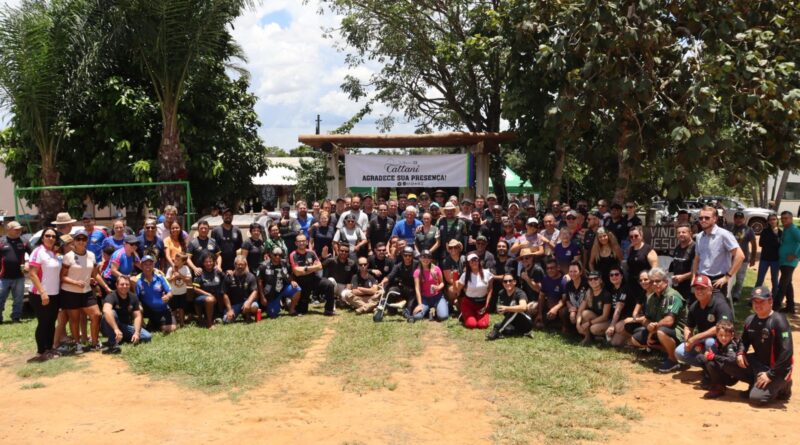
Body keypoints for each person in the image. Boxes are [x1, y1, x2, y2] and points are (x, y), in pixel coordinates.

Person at [721, 287, 793, 405]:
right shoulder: (750, 320)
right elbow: (743, 342)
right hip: (758, 363)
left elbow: (787, 351)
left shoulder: (779, 320)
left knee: (756, 398)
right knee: (728, 362)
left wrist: (771, 374)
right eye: (755, 301)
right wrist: (740, 353)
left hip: (777, 368)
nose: (757, 304)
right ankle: (755, 383)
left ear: (770, 301)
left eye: (761, 301)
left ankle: (784, 386)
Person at [629, 268, 687, 373]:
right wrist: (649, 326)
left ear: (666, 281)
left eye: (658, 281)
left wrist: (653, 330)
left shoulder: (672, 296)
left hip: (678, 332)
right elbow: (646, 319)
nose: (655, 284)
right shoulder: (652, 297)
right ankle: (664, 351)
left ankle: (673, 360)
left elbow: (669, 321)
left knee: (661, 331)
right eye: (652, 281)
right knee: (635, 338)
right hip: (659, 329)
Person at [674, 275, 734, 372]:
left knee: (709, 341)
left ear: (710, 289)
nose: (699, 291)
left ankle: (717, 369)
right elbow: (688, 327)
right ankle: (706, 367)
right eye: (696, 288)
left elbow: (721, 327)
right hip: (702, 341)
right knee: (679, 352)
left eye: (702, 288)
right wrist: (688, 341)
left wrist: (696, 338)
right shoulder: (694, 306)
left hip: (722, 342)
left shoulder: (720, 305)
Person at [692, 205, 744, 313]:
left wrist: (727, 277)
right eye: (701, 218)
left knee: (719, 312)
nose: (703, 220)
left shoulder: (724, 235)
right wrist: (693, 277)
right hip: (702, 279)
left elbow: (740, 256)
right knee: (703, 311)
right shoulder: (699, 236)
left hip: (718, 281)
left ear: (715, 219)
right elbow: (697, 259)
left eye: (707, 218)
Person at [59, 230, 101, 351]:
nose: (81, 241)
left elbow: (94, 273)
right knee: (75, 319)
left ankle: (94, 343)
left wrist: (97, 283)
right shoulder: (68, 256)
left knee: (96, 315)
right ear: (74, 241)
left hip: (87, 291)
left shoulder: (91, 255)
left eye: (84, 239)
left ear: (87, 241)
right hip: (70, 292)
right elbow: (62, 277)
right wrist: (75, 282)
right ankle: (78, 344)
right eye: (78, 239)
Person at [26, 228, 62, 362]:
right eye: (48, 235)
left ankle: (49, 348)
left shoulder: (53, 253)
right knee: (43, 322)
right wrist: (42, 292)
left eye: (53, 236)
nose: (51, 238)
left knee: (51, 322)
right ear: (42, 238)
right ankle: (41, 351)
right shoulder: (38, 252)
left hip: (54, 294)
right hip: (40, 294)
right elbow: (32, 273)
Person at [100, 275, 151, 354]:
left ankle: (121, 338)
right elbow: (106, 311)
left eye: (127, 284)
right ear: (116, 285)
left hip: (125, 326)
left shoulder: (133, 297)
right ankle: (113, 343)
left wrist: (137, 333)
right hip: (110, 326)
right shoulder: (111, 296)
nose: (124, 286)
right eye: (122, 284)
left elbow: (137, 316)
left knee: (147, 336)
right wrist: (116, 329)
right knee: (111, 313)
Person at [289, 234, 335, 315]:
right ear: (296, 243)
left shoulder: (311, 252)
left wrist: (305, 269)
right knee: (302, 310)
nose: (302, 243)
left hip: (313, 279)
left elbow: (320, 266)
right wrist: (312, 267)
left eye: (303, 241)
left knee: (329, 285)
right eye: (299, 241)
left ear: (307, 242)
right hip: (301, 282)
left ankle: (329, 310)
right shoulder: (293, 255)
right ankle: (290, 304)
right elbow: (296, 272)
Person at [698, 320, 741, 399]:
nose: (723, 338)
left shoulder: (730, 346)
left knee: (710, 363)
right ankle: (710, 380)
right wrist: (700, 344)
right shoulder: (719, 341)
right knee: (701, 358)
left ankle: (719, 387)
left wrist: (714, 356)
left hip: (732, 376)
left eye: (727, 335)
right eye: (721, 335)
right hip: (725, 371)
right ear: (717, 335)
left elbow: (731, 360)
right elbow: (705, 339)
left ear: (732, 335)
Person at [134, 255, 176, 334]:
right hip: (148, 309)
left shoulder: (160, 277)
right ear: (141, 266)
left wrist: (167, 296)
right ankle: (143, 325)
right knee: (138, 308)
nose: (148, 267)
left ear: (153, 265)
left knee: (172, 329)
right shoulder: (137, 279)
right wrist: (138, 305)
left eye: (150, 264)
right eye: (145, 264)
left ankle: (153, 324)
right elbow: (135, 297)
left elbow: (170, 291)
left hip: (163, 309)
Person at [258, 247, 302, 318]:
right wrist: (262, 297)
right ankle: (280, 305)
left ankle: (291, 309)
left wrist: (292, 281)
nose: (278, 257)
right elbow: (259, 282)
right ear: (271, 255)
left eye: (280, 255)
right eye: (275, 255)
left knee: (297, 289)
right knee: (273, 314)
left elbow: (289, 274)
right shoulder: (263, 266)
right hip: (271, 294)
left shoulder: (284, 263)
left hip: (283, 288)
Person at [486, 274, 533, 340]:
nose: (508, 283)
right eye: (505, 281)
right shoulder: (501, 293)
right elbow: (499, 307)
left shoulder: (519, 293)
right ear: (503, 283)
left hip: (526, 323)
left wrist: (507, 308)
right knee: (497, 325)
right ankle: (510, 331)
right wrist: (500, 310)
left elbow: (523, 307)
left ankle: (498, 331)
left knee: (513, 309)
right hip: (514, 324)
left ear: (514, 282)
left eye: (510, 281)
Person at [454, 252, 493, 329]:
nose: (474, 262)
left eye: (475, 260)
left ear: (479, 261)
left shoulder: (487, 273)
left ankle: (474, 315)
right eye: (471, 261)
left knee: (483, 325)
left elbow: (490, 290)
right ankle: (466, 314)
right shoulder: (465, 275)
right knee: (471, 325)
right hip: (468, 303)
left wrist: (486, 304)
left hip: (482, 304)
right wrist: (454, 279)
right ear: (468, 263)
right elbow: (457, 290)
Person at [0, 221, 28, 324]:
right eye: (16, 229)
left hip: (19, 277)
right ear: (9, 229)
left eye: (20, 229)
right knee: (0, 299)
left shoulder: (24, 241)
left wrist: (28, 265)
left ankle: (16, 317)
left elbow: (33, 253)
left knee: (18, 299)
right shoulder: (1, 242)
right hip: (3, 277)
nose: (19, 231)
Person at [575, 271, 612, 345]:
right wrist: (578, 323)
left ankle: (604, 337)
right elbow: (580, 310)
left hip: (607, 321)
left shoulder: (606, 294)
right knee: (585, 313)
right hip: (597, 318)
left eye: (595, 278)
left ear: (600, 280)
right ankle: (588, 338)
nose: (593, 281)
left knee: (594, 329)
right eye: (590, 279)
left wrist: (588, 323)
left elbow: (605, 316)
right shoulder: (589, 292)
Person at [382, 246, 418, 318]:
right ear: (402, 255)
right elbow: (391, 275)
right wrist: (383, 281)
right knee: (391, 291)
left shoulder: (417, 264)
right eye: (405, 255)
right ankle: (392, 310)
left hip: (413, 290)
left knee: (409, 311)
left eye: (410, 255)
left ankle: (407, 308)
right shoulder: (398, 265)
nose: (407, 257)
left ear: (412, 256)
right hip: (402, 287)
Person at [775, 210, 800, 313]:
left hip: (789, 263)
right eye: (782, 218)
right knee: (787, 284)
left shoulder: (793, 229)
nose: (784, 220)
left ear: (791, 218)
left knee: (782, 284)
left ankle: (775, 307)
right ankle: (790, 307)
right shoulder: (786, 229)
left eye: (786, 218)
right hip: (783, 261)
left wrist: (796, 255)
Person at [411, 249, 447, 321]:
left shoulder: (436, 269)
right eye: (423, 257)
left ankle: (438, 308)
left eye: (428, 257)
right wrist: (420, 304)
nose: (426, 259)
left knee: (443, 317)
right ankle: (429, 311)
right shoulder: (417, 272)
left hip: (437, 297)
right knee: (417, 316)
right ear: (420, 258)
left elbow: (442, 283)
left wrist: (438, 287)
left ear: (431, 259)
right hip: (425, 298)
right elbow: (417, 289)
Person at [221, 255, 259, 323]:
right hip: (234, 304)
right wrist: (229, 310)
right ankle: (240, 313)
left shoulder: (250, 276)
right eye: (238, 265)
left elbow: (255, 291)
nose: (240, 267)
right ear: (235, 265)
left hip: (246, 302)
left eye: (242, 265)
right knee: (226, 320)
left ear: (245, 265)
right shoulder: (229, 277)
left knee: (254, 306)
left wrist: (249, 302)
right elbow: (225, 294)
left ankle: (248, 316)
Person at [604, 265, 635, 346]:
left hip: (628, 320)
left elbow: (618, 310)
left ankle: (634, 340)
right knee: (595, 329)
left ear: (621, 276)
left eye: (616, 274)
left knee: (615, 342)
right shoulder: (612, 289)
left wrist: (611, 326)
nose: (614, 276)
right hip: (616, 320)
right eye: (611, 275)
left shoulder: (625, 289)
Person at [730, 211, 757, 302]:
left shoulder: (749, 230)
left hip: (743, 258)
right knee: (729, 276)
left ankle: (736, 295)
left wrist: (753, 257)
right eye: (736, 218)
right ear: (734, 219)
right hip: (730, 258)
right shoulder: (730, 229)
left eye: (740, 218)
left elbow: (753, 244)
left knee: (740, 278)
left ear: (744, 219)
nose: (738, 220)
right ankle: (728, 293)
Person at [535, 257, 567, 330]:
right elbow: (541, 296)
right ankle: (553, 324)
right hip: (549, 305)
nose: (549, 270)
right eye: (548, 268)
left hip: (560, 307)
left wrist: (555, 309)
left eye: (552, 268)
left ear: (558, 268)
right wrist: (539, 313)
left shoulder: (564, 281)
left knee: (563, 312)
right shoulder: (545, 279)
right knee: (538, 324)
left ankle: (565, 326)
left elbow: (564, 300)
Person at [191, 255, 222, 328]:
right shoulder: (200, 272)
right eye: (206, 262)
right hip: (201, 298)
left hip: (216, 297)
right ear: (203, 263)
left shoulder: (217, 271)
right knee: (210, 300)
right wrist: (208, 294)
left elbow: (225, 281)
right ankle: (209, 323)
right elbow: (195, 288)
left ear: (214, 262)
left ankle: (219, 316)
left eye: (210, 261)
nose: (209, 263)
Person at [754, 214, 781, 297]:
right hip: (764, 259)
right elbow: (761, 243)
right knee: (760, 279)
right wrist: (774, 242)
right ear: (768, 221)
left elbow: (781, 245)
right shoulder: (765, 231)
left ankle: (774, 298)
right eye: (770, 220)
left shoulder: (781, 232)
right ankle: (755, 297)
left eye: (774, 219)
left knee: (774, 280)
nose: (772, 221)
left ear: (777, 220)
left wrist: (771, 241)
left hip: (775, 260)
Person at [669, 223, 696, 304]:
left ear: (690, 233)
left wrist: (683, 277)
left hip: (690, 288)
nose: (681, 234)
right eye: (679, 233)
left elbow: (697, 269)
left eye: (684, 232)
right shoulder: (677, 248)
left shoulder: (695, 248)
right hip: (677, 286)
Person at [211, 207, 243, 273]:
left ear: (232, 217)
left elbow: (240, 248)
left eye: (230, 215)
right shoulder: (215, 231)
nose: (228, 217)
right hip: (219, 265)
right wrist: (216, 264)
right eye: (226, 215)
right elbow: (212, 249)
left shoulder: (237, 230)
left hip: (235, 266)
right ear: (222, 217)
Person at [166, 252, 192, 327]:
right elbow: (167, 280)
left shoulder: (186, 268)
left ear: (183, 262)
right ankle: (173, 322)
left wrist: (180, 275)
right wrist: (173, 277)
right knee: (173, 309)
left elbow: (189, 279)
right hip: (173, 293)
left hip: (182, 292)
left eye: (178, 260)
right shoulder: (171, 269)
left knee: (181, 308)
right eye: (175, 259)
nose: (175, 261)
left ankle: (181, 322)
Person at [563, 260, 589, 330]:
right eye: (570, 271)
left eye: (575, 271)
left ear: (580, 272)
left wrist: (578, 311)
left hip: (585, 308)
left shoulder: (587, 283)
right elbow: (567, 300)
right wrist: (572, 309)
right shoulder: (568, 285)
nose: (572, 274)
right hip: (574, 307)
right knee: (564, 312)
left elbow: (588, 300)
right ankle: (570, 330)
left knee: (584, 314)